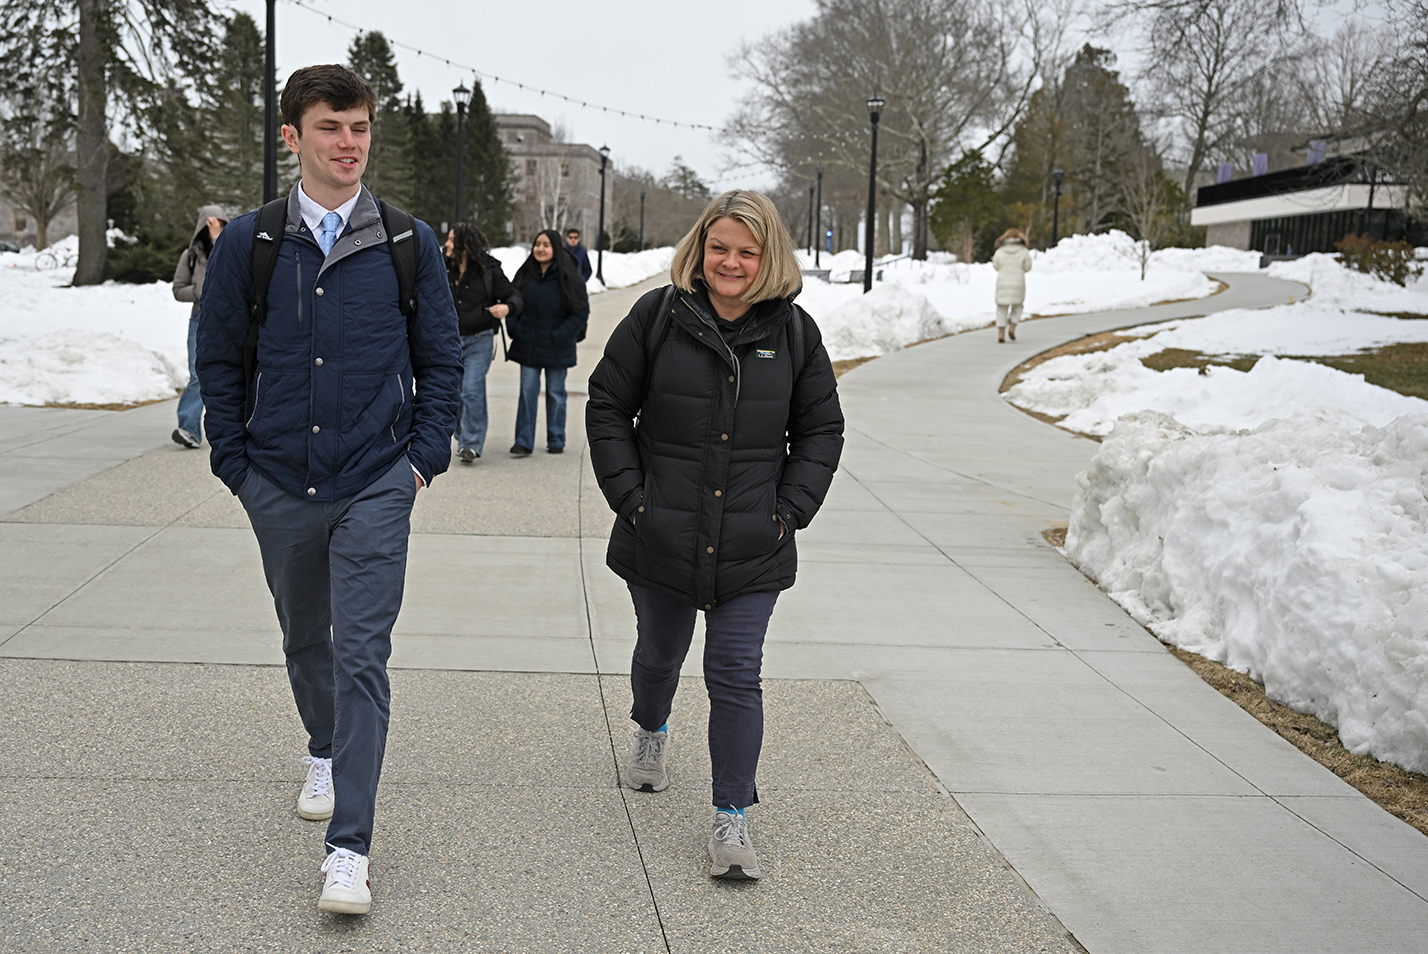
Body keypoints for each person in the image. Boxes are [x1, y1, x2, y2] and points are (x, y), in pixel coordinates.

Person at [195, 64, 461, 915]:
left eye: (359, 129)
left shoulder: (405, 243)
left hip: (378, 478)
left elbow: (440, 362)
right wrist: (234, 464)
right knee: (305, 638)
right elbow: (217, 357)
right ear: (292, 137)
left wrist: (421, 460)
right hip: (276, 477)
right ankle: (322, 743)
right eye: (330, 129)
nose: (349, 145)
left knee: (362, 654)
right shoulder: (251, 243)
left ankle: (349, 848)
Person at [586, 190, 844, 880]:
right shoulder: (658, 317)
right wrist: (632, 500)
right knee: (660, 654)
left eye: (747, 250)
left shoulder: (794, 333)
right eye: (720, 247)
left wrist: (789, 510)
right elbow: (609, 404)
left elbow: (820, 429)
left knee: (735, 674)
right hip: (660, 532)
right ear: (700, 249)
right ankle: (650, 730)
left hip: (752, 543)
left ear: (769, 259)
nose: (731, 262)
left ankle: (731, 818)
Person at [508, 229, 589, 455]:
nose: (540, 249)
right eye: (537, 244)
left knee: (556, 393)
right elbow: (512, 302)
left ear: (555, 248)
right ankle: (523, 441)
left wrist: (560, 335)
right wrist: (514, 328)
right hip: (529, 344)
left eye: (545, 245)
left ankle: (556, 438)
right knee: (527, 393)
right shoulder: (525, 274)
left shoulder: (570, 277)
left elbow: (581, 312)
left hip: (557, 346)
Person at [446, 223, 522, 462]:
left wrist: (507, 307)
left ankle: (470, 443)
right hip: (448, 340)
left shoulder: (489, 270)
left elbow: (514, 296)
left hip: (480, 339)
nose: (446, 244)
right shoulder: (441, 265)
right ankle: (462, 433)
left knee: (472, 388)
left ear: (465, 246)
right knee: (453, 392)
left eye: (451, 240)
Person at [170, 205, 227, 448]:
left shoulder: (231, 247)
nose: (216, 228)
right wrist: (199, 292)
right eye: (211, 225)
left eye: (221, 224)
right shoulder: (190, 256)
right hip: (200, 318)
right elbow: (178, 290)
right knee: (197, 374)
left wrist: (219, 239)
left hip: (229, 319)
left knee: (233, 375)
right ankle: (188, 429)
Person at [992, 228, 1032, 343]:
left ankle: (1001, 332)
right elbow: (1027, 267)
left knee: (1001, 307)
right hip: (1018, 282)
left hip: (1002, 282)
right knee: (1018, 306)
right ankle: (1012, 327)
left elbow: (996, 266)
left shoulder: (1000, 251)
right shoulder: (1023, 251)